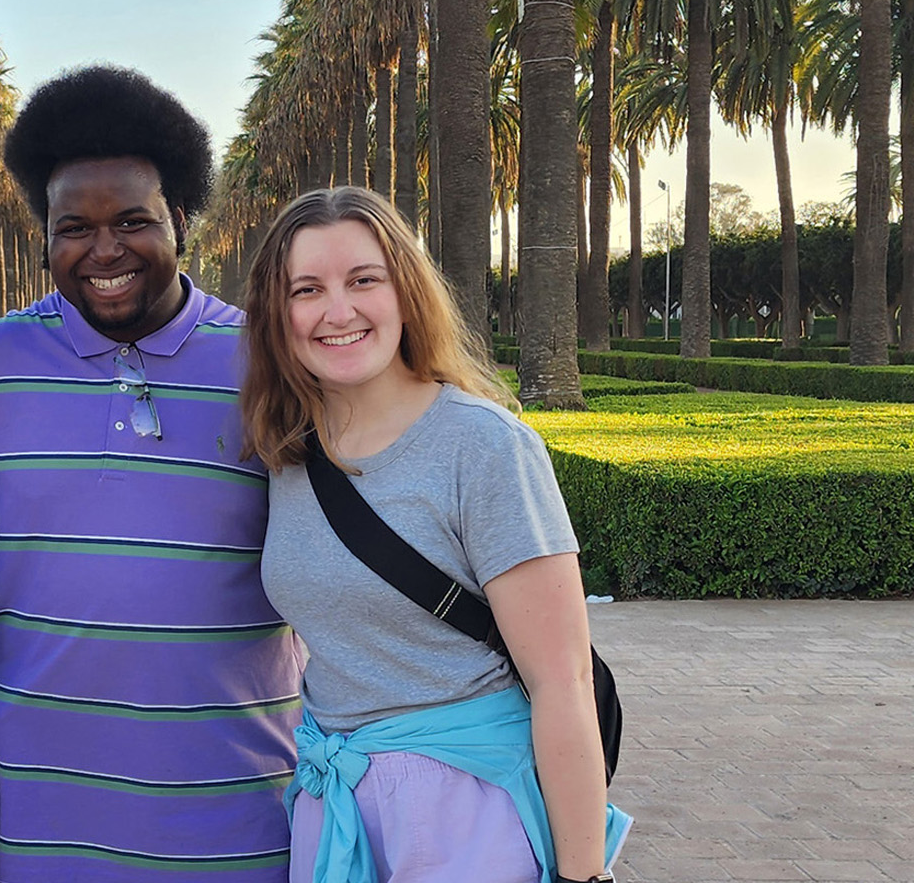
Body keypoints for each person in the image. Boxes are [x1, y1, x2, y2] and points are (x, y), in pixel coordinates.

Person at [0, 66, 306, 882]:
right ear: (44, 234)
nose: (103, 251)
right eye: (73, 226)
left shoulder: (265, 361)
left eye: (134, 222)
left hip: (236, 812)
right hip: (35, 816)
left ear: (181, 219)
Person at [239, 187, 628, 883]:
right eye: (307, 289)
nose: (338, 310)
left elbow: (563, 680)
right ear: (278, 312)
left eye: (364, 280)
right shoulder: (286, 451)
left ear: (405, 291)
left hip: (463, 805)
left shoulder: (482, 445)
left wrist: (582, 877)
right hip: (336, 796)